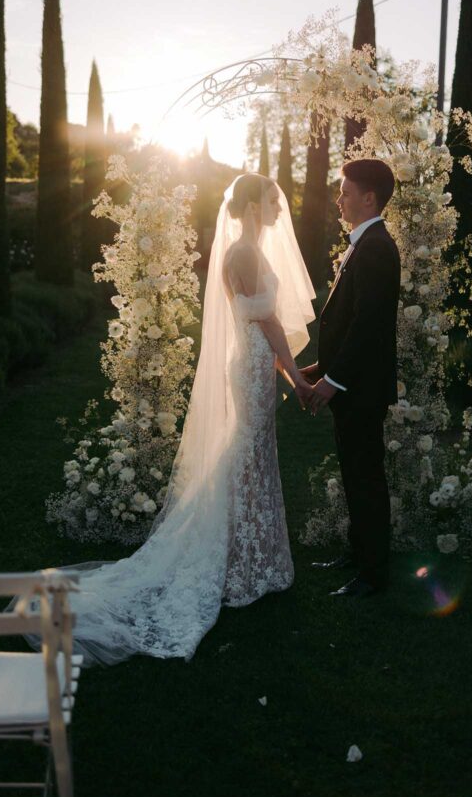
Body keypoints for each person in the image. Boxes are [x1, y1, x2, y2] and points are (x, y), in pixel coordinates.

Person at [16, 174, 316, 667]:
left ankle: (249, 559)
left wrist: (285, 371)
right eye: (273, 202)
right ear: (253, 207)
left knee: (252, 452)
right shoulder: (245, 254)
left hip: (257, 362)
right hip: (255, 361)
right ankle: (238, 562)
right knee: (248, 452)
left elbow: (268, 325)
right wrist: (297, 379)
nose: (280, 210)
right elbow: (269, 321)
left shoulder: (247, 252)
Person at [302, 158, 401, 598]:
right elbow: (346, 323)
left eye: (345, 192)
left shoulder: (377, 247)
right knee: (354, 474)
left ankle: (373, 574)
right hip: (350, 385)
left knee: (365, 479)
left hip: (359, 389)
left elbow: (368, 326)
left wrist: (332, 381)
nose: (339, 199)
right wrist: (317, 370)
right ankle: (358, 553)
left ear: (368, 198)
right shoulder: (363, 244)